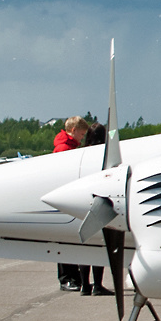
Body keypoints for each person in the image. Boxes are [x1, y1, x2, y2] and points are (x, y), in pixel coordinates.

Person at [77, 124, 115, 297]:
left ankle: (85, 285)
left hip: (81, 202)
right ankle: (98, 285)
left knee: (85, 245)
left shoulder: (81, 154)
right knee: (98, 245)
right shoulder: (104, 155)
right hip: (98, 200)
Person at [54, 117, 89, 291]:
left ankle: (73, 277)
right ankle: (67, 278)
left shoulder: (69, 147)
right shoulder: (64, 149)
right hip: (66, 197)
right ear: (73, 130)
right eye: (81, 134)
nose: (82, 138)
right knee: (65, 238)